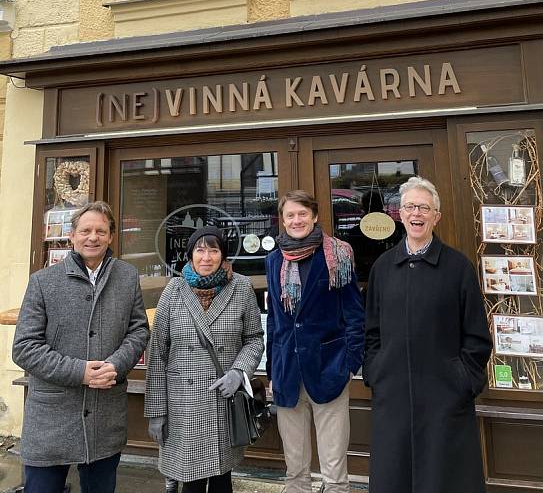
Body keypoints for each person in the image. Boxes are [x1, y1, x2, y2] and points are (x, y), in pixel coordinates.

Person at [363, 176, 493, 493]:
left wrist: (461, 380)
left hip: (444, 402)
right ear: (399, 214)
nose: (416, 214)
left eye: (424, 207)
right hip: (393, 399)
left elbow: (477, 338)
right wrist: (376, 371)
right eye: (409, 207)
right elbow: (372, 333)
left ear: (436, 216)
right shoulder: (383, 267)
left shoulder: (458, 267)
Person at [13, 201, 150, 493]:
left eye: (101, 230)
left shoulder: (126, 277)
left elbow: (138, 330)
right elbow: (24, 347)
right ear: (72, 235)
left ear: (111, 236)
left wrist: (117, 363)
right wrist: (81, 373)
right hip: (52, 419)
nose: (93, 237)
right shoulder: (42, 282)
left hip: (104, 417)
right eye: (86, 230)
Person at [145, 225, 264, 493]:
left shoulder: (241, 287)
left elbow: (254, 338)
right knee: (191, 481)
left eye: (214, 250)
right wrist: (155, 413)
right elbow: (158, 355)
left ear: (223, 256)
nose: (206, 257)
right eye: (200, 250)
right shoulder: (173, 291)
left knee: (222, 479)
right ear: (190, 255)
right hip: (181, 406)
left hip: (223, 400)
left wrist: (238, 372)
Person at [265, 190, 365, 493]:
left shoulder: (338, 255)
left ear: (315, 216)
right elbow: (275, 321)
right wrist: (272, 369)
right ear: (282, 220)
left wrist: (350, 363)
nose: (297, 220)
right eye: (290, 215)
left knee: (334, 472)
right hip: (287, 373)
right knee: (295, 471)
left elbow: (354, 314)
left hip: (329, 370)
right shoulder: (273, 260)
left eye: (302, 214)